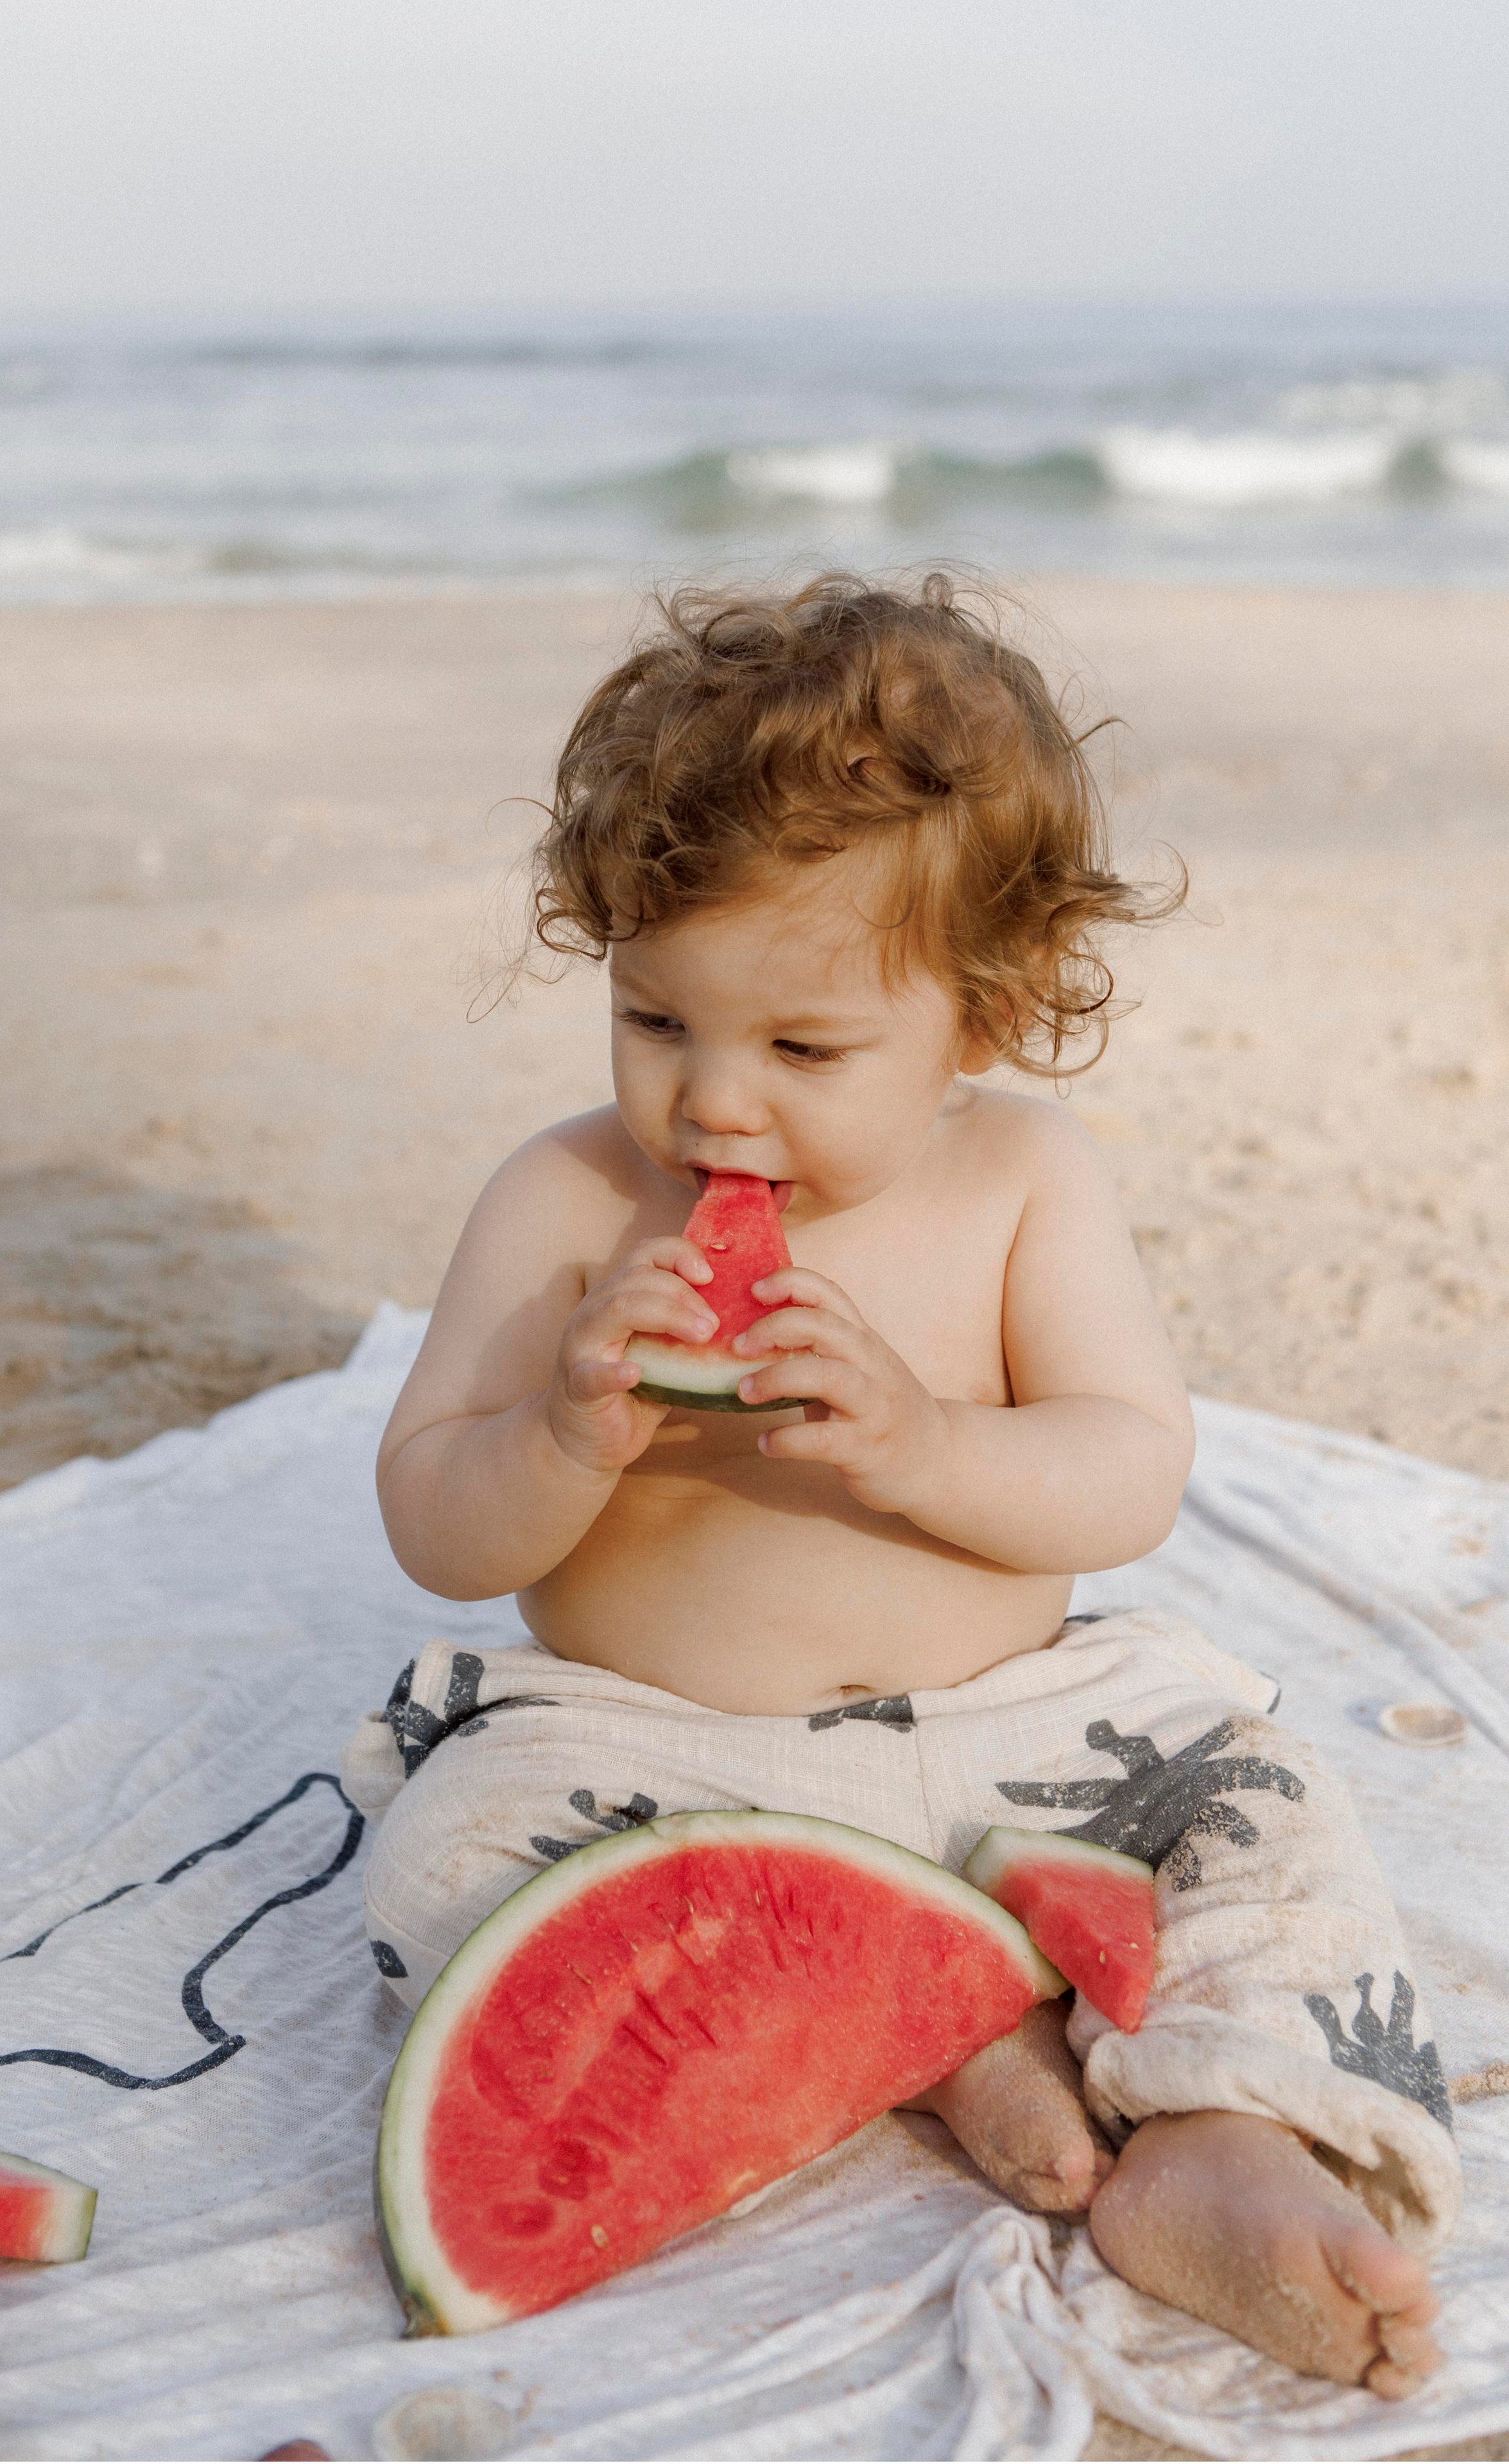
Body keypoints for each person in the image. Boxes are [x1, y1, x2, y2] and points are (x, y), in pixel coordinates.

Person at [349, 574, 1458, 2396]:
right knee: (442, 1857)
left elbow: (1127, 1475)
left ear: (987, 1015)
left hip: (1030, 1734)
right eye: (654, 1021)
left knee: (1277, 1815)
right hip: (659, 1754)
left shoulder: (1026, 1184)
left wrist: (931, 1445)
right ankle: (945, 2033)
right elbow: (433, 1524)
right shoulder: (557, 1206)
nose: (714, 1107)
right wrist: (555, 1438)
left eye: (801, 1050)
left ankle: (1218, 2142)